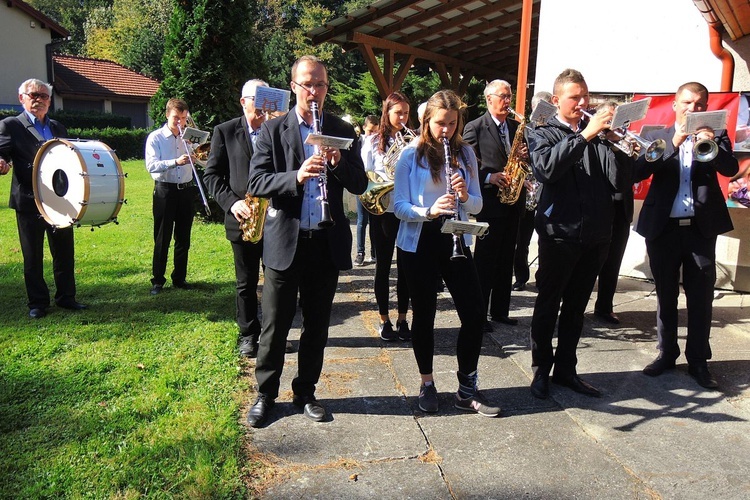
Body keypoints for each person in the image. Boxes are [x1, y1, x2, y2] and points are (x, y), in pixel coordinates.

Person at [245, 55, 368, 427]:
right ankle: (266, 394)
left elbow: (360, 184)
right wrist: (295, 176)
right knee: (276, 324)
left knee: (317, 325)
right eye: (307, 84)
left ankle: (305, 392)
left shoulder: (341, 130)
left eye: (320, 85)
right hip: (286, 241)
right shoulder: (273, 130)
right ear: (294, 86)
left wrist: (337, 163)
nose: (314, 92)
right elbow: (256, 183)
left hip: (325, 243)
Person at [394, 89, 501, 417]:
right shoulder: (410, 155)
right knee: (424, 315)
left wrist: (465, 194)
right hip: (419, 241)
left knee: (473, 313)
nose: (447, 130)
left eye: (452, 124)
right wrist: (428, 209)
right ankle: (427, 383)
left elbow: (478, 206)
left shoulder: (466, 154)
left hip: (455, 237)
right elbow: (397, 206)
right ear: (427, 120)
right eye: (441, 123)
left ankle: (467, 388)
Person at [527, 68, 632, 399]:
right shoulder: (541, 131)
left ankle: (566, 370)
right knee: (548, 305)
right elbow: (546, 169)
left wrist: (619, 145)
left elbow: (620, 180)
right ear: (557, 100)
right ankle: (541, 369)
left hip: (596, 235)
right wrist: (586, 134)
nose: (583, 102)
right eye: (575, 97)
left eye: (586, 96)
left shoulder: (600, 137)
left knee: (575, 308)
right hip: (559, 234)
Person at [636, 82, 738, 389]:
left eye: (699, 104)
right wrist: (676, 141)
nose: (693, 109)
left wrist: (712, 143)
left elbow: (731, 169)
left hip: (700, 230)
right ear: (676, 105)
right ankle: (667, 353)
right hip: (662, 229)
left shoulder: (716, 134)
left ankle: (698, 361)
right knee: (666, 295)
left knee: (701, 298)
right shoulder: (657, 136)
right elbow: (638, 171)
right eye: (688, 103)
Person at [0, 78, 88, 319]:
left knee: (64, 252)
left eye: (43, 96)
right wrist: (2, 163)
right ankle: (37, 303)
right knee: (33, 255)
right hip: (29, 201)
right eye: (33, 95)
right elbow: (2, 153)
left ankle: (66, 297)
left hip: (60, 200)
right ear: (22, 99)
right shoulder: (10, 125)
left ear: (50, 101)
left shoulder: (58, 127)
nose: (38, 99)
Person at [203, 79, 268, 358]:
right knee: (246, 281)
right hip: (243, 218)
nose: (264, 104)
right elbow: (212, 176)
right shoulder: (225, 131)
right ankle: (247, 334)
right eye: (258, 98)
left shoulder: (277, 130)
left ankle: (271, 334)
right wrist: (233, 203)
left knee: (278, 281)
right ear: (244, 101)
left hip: (276, 219)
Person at [463, 80, 525, 330]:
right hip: (490, 202)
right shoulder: (474, 127)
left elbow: (520, 157)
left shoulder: (515, 126)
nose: (508, 101)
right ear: (489, 98)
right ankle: (478, 313)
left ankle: (500, 311)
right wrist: (490, 176)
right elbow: (468, 163)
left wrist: (522, 160)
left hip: (513, 201)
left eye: (510, 96)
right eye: (503, 96)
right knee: (486, 261)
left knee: (506, 259)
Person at [361, 93, 412, 341]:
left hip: (406, 211)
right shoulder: (372, 141)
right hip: (382, 211)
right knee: (383, 266)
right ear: (387, 113)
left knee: (405, 267)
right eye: (398, 113)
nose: (402, 118)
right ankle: (384, 319)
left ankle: (403, 318)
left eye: (405, 113)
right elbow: (365, 175)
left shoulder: (413, 140)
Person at [144, 98, 197, 295]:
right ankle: (157, 280)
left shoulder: (188, 137)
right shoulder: (156, 138)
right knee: (162, 237)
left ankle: (179, 278)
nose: (180, 123)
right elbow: (151, 166)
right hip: (165, 191)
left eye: (183, 118)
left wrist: (196, 152)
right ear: (167, 115)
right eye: (176, 118)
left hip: (186, 190)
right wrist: (175, 161)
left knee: (184, 237)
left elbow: (202, 161)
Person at [593, 101, 636, 325]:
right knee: (590, 261)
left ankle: (604, 307)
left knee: (613, 261)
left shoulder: (626, 144)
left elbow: (630, 178)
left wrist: (627, 151)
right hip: (598, 210)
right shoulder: (594, 143)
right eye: (610, 119)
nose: (615, 124)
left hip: (621, 209)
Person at [513, 91, 552, 291]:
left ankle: (543, 276)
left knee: (547, 238)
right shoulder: (525, 129)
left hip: (547, 189)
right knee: (522, 239)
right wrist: (522, 155)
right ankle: (521, 276)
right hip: (528, 187)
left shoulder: (555, 130)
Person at [354, 114, 379, 266]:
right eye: (370, 131)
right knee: (361, 220)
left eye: (375, 132)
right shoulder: (358, 142)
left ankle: (374, 252)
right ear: (364, 128)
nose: (372, 135)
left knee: (374, 221)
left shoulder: (378, 142)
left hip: (375, 184)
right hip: (362, 183)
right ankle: (360, 252)